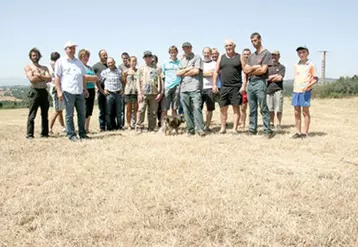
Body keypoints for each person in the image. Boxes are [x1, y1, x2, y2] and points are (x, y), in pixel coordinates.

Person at [55, 41, 90, 141]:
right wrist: (59, 91)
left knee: (82, 114)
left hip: (79, 91)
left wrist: (85, 89)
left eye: (73, 48)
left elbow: (82, 77)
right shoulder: (60, 61)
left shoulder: (78, 62)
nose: (72, 50)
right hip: (68, 91)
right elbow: (57, 77)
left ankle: (82, 133)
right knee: (69, 114)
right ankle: (71, 134)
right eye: (70, 48)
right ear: (65, 50)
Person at [241, 33, 275, 138]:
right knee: (252, 108)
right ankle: (252, 129)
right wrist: (255, 67)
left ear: (260, 39)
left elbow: (263, 70)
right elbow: (245, 70)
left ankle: (267, 130)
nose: (253, 43)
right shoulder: (251, 56)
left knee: (263, 107)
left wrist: (251, 70)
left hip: (261, 82)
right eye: (251, 41)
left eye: (255, 40)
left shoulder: (266, 54)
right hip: (251, 83)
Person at [213, 40, 244, 134]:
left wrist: (244, 85)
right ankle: (223, 128)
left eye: (230, 45)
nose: (228, 47)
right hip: (224, 87)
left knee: (236, 108)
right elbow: (216, 72)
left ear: (234, 46)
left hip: (236, 87)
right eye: (226, 46)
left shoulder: (240, 57)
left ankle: (235, 129)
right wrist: (214, 84)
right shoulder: (221, 57)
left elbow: (245, 71)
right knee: (223, 108)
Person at [177, 42, 205, 137]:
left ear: (191, 48)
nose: (186, 50)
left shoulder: (197, 58)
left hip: (195, 88)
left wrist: (184, 72)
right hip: (184, 89)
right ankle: (190, 130)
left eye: (187, 48)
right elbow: (178, 73)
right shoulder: (182, 60)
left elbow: (196, 71)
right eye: (184, 48)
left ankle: (200, 129)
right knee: (186, 110)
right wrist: (188, 69)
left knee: (197, 108)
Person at [24, 48, 52, 139]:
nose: (35, 57)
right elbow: (32, 79)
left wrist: (39, 75)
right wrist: (44, 77)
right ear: (30, 57)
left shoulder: (44, 67)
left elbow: (50, 79)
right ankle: (29, 134)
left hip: (44, 91)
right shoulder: (28, 67)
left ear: (39, 56)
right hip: (34, 91)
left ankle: (44, 133)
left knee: (45, 114)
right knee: (32, 114)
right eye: (33, 55)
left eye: (36, 55)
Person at [291, 46, 318, 139]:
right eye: (299, 53)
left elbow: (315, 78)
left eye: (303, 52)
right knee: (296, 112)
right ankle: (298, 132)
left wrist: (308, 86)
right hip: (296, 91)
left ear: (307, 53)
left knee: (305, 112)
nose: (301, 54)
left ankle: (305, 132)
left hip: (305, 91)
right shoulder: (296, 65)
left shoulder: (311, 65)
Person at [136, 51, 162, 133]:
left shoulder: (157, 68)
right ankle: (139, 127)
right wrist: (139, 93)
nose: (148, 58)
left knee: (153, 112)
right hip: (143, 93)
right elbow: (137, 81)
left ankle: (152, 128)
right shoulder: (140, 68)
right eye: (146, 56)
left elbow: (161, 80)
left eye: (149, 56)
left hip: (154, 93)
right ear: (144, 58)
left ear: (152, 57)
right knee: (141, 110)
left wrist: (160, 92)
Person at [158, 45, 181, 133]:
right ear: (169, 53)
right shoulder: (165, 63)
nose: (173, 54)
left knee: (175, 108)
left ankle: (175, 128)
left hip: (177, 86)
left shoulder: (180, 62)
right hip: (167, 87)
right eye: (171, 52)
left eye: (174, 52)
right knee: (164, 109)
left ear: (177, 52)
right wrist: (163, 87)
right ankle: (163, 127)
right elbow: (162, 75)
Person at [99, 57, 123, 131]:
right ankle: (109, 127)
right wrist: (102, 91)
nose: (110, 64)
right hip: (109, 94)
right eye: (108, 63)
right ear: (107, 64)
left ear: (114, 62)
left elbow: (123, 80)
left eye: (111, 62)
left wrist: (123, 89)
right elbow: (98, 82)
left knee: (119, 112)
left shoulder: (119, 71)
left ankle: (119, 126)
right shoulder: (104, 72)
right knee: (108, 112)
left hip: (118, 94)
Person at [78, 49, 99, 134]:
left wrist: (89, 78)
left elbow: (96, 78)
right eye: (84, 56)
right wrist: (90, 78)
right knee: (84, 110)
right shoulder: (79, 66)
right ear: (80, 57)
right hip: (84, 89)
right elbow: (83, 78)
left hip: (92, 89)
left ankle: (87, 128)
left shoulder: (89, 67)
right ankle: (82, 128)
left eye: (87, 56)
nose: (86, 58)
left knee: (89, 110)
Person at [266, 50, 286, 131]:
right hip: (268, 90)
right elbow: (265, 78)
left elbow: (280, 78)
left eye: (275, 55)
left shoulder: (282, 67)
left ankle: (278, 124)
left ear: (279, 56)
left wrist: (270, 77)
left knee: (278, 108)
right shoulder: (267, 67)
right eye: (272, 55)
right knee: (270, 108)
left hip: (278, 89)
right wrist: (274, 76)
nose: (274, 57)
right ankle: (271, 123)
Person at [48, 52, 66, 134]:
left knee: (60, 110)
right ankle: (49, 128)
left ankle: (63, 127)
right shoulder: (54, 65)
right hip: (56, 89)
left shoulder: (51, 65)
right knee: (57, 110)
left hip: (57, 88)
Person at [93, 49, 109, 131]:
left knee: (109, 110)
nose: (106, 56)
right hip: (101, 92)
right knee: (102, 110)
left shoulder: (110, 65)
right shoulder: (95, 67)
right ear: (100, 56)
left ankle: (110, 126)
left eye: (106, 55)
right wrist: (102, 91)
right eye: (104, 55)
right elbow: (96, 81)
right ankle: (102, 127)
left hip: (110, 92)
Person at [201, 47, 216, 131]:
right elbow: (198, 73)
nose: (206, 54)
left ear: (211, 53)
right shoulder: (200, 63)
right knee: (198, 108)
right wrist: (208, 73)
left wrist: (201, 73)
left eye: (208, 52)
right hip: (200, 88)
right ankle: (199, 125)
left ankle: (207, 125)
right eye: (205, 53)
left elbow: (213, 73)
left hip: (210, 88)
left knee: (209, 108)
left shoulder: (214, 63)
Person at [122, 56, 138, 129]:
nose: (133, 62)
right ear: (129, 62)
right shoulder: (126, 72)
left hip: (136, 92)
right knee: (128, 109)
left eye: (135, 61)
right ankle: (128, 124)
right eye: (132, 61)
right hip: (128, 92)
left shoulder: (138, 71)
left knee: (136, 109)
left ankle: (135, 123)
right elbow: (124, 82)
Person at [239, 48, 251, 129]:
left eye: (248, 54)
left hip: (251, 88)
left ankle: (252, 123)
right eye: (245, 54)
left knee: (253, 107)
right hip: (242, 89)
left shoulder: (252, 64)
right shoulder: (239, 65)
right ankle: (242, 123)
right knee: (243, 107)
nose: (246, 55)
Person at [118, 52, 131, 128]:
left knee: (131, 109)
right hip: (123, 90)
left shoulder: (132, 65)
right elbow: (121, 78)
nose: (125, 59)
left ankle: (132, 123)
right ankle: (121, 125)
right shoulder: (120, 67)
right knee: (122, 109)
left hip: (131, 90)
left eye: (126, 58)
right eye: (123, 58)